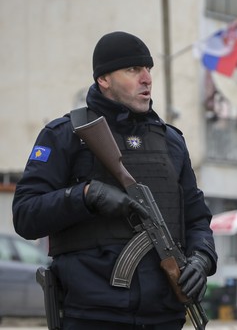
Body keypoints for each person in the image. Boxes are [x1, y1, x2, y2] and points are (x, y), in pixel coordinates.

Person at [13, 31, 218, 330]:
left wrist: (201, 259)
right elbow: (25, 214)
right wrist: (85, 195)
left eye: (148, 69)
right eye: (133, 70)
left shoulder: (170, 141)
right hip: (92, 315)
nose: (146, 78)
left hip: (164, 316)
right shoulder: (65, 135)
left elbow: (197, 219)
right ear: (104, 80)